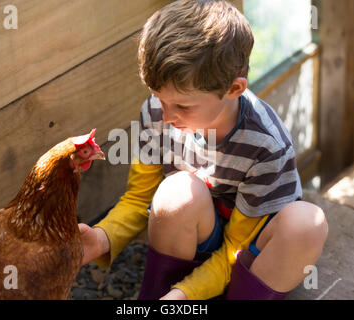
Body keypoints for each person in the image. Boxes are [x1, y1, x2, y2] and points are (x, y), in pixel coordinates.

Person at [78, 0, 328, 300]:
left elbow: (234, 250)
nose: (167, 115)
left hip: (247, 251)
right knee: (176, 193)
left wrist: (184, 295)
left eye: (182, 105)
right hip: (199, 234)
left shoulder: (266, 146)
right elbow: (138, 199)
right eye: (158, 97)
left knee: (306, 224)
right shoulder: (158, 112)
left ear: (234, 90)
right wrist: (101, 238)